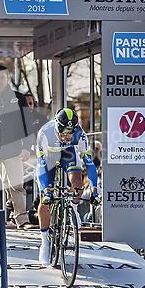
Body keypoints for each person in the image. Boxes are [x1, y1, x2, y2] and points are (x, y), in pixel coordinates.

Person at [36, 107, 100, 266]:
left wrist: (94, 190)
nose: (67, 136)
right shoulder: (44, 133)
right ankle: (44, 241)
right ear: (57, 127)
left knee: (77, 182)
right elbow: (41, 166)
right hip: (48, 160)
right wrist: (47, 191)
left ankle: (73, 209)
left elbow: (90, 165)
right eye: (63, 132)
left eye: (70, 132)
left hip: (68, 154)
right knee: (45, 199)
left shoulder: (81, 134)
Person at [0, 65, 33, 228]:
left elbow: (28, 124)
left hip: (13, 149)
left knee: (16, 186)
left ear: (7, 79)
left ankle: (22, 219)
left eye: (1, 78)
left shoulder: (18, 98)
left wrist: (28, 147)